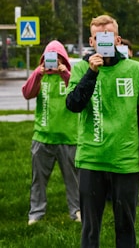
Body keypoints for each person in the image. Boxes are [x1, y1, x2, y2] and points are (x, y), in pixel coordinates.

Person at [65, 15, 139, 247]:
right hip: (91, 159)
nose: (102, 42)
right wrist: (91, 73)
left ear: (117, 39)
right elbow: (74, 104)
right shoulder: (81, 69)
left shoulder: (135, 69)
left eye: (108, 37)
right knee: (90, 228)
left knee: (126, 224)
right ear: (91, 41)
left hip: (124, 160)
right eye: (98, 37)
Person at [22, 40, 80, 225]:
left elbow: (79, 93)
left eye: (58, 58)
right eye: (50, 58)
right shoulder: (40, 76)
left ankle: (76, 210)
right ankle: (36, 213)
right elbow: (27, 93)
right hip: (42, 136)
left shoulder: (69, 76)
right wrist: (37, 74)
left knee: (74, 180)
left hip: (68, 136)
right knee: (38, 180)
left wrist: (64, 72)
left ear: (64, 58)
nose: (53, 62)